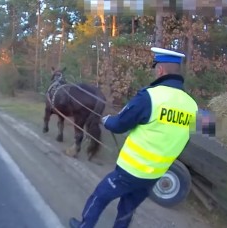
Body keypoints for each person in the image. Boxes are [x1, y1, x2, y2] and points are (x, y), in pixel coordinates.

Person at [69, 47, 199, 228]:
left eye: (156, 69)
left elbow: (119, 125)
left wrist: (106, 120)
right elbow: (192, 135)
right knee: (127, 209)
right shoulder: (192, 105)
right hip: (155, 174)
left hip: (130, 170)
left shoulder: (150, 97)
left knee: (100, 195)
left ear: (160, 70)